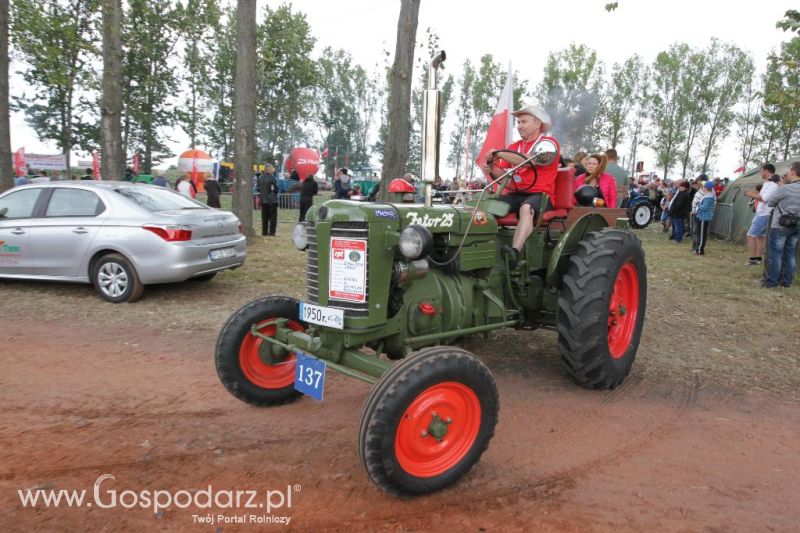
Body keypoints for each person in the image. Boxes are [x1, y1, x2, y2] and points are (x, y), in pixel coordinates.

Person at [480, 104, 560, 267]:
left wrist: (499, 153)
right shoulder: (514, 147)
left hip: (541, 196)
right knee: (488, 206)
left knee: (526, 208)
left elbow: (528, 162)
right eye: (518, 122)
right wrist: (492, 168)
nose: (519, 126)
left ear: (537, 124)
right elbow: (507, 181)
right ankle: (482, 249)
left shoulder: (548, 144)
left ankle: (514, 252)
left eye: (524, 122)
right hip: (517, 194)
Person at [764, 162, 800, 288]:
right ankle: (786, 282)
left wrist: (781, 186)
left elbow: (770, 202)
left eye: (789, 171)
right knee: (790, 253)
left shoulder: (785, 188)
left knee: (776, 254)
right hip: (797, 225)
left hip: (781, 225)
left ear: (794, 173)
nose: (787, 174)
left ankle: (772, 282)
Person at [743, 163, 779, 265]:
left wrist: (750, 194)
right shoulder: (767, 183)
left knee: (751, 235)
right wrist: (754, 194)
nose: (760, 173)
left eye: (761, 170)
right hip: (762, 213)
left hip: (764, 214)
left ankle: (752, 259)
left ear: (766, 171)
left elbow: (764, 198)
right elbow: (762, 195)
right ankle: (758, 258)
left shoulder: (773, 185)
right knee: (760, 236)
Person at [694, 181, 716, 255]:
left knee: (702, 235)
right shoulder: (708, 196)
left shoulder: (709, 197)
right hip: (701, 217)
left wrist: (698, 205)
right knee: (700, 234)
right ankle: (698, 249)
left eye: (703, 187)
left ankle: (700, 250)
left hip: (704, 217)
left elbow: (705, 207)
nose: (702, 188)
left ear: (705, 188)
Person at [259, 164, 279, 235]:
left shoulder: (260, 178)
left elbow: (259, 188)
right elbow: (276, 188)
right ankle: (272, 232)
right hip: (272, 200)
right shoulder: (272, 177)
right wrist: (275, 192)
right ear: (270, 169)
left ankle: (264, 232)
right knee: (273, 218)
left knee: (264, 218)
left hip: (263, 200)